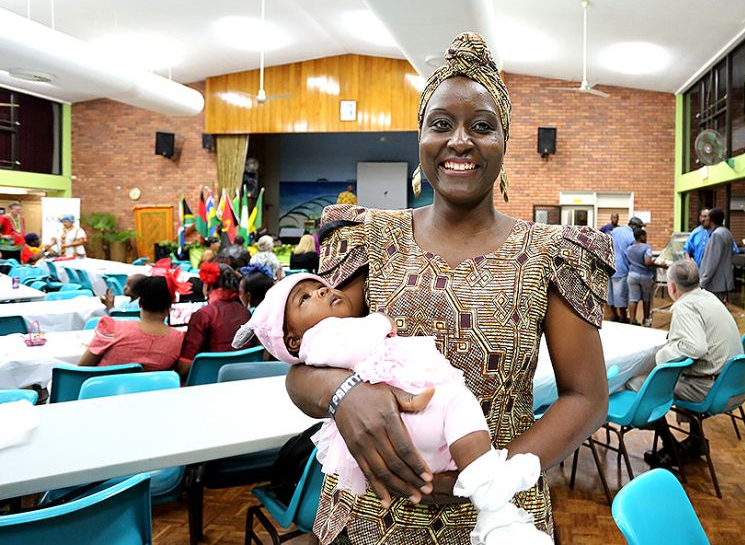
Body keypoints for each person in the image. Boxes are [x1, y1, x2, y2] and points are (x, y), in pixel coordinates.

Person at [283, 33, 611, 544]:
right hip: (371, 513)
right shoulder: (367, 239)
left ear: (506, 143)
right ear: (420, 141)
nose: (460, 140)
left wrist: (498, 473)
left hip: (497, 514)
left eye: (482, 126)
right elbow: (302, 372)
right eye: (441, 124)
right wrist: (344, 395)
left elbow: (586, 396)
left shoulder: (552, 253)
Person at [236, 273, 551, 543]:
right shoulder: (319, 339)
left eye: (322, 287)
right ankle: (494, 495)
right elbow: (352, 345)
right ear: (292, 341)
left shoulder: (333, 331)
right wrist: (380, 321)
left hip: (410, 425)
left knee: (456, 411)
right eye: (305, 298)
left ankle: (494, 500)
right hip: (402, 421)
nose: (322, 291)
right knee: (457, 403)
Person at [631, 259, 742, 466]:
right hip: (727, 382)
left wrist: (662, 356)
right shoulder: (708, 297)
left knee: (644, 388)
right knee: (673, 376)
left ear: (672, 287)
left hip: (707, 387)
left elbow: (695, 347)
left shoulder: (684, 306)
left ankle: (672, 448)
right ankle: (695, 440)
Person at [78, 275, 187, 371]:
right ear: (170, 305)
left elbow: (83, 366)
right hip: (151, 392)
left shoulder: (113, 328)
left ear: (139, 302)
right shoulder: (180, 339)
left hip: (104, 392)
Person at [176, 263, 252, 376]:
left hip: (209, 382)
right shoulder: (245, 312)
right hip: (244, 377)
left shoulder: (204, 315)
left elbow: (184, 367)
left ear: (207, 284)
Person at [625, 228, 668, 327]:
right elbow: (647, 262)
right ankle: (646, 319)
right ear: (641, 236)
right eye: (645, 236)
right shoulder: (646, 247)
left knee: (633, 298)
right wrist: (661, 265)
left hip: (632, 275)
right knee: (646, 298)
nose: (646, 238)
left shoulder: (629, 249)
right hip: (645, 276)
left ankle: (632, 320)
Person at [610, 217, 643, 323]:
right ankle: (623, 318)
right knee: (621, 294)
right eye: (639, 227)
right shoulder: (631, 236)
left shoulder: (615, 231)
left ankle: (614, 315)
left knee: (610, 293)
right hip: (622, 268)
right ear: (633, 226)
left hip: (609, 265)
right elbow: (634, 253)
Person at [699, 208, 734, 303]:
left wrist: (703, 282)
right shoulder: (726, 232)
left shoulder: (716, 235)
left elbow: (712, 262)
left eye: (707, 217)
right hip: (722, 282)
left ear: (711, 220)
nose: (705, 220)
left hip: (715, 283)